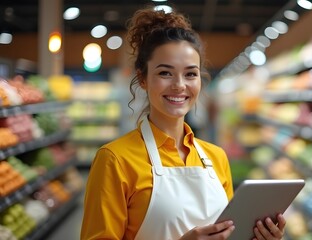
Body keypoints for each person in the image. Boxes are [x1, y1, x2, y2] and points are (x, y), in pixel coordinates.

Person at [80, 6, 286, 240]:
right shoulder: (115, 160)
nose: (179, 85)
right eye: (165, 73)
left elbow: (228, 233)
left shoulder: (216, 157)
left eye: (190, 74)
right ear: (143, 79)